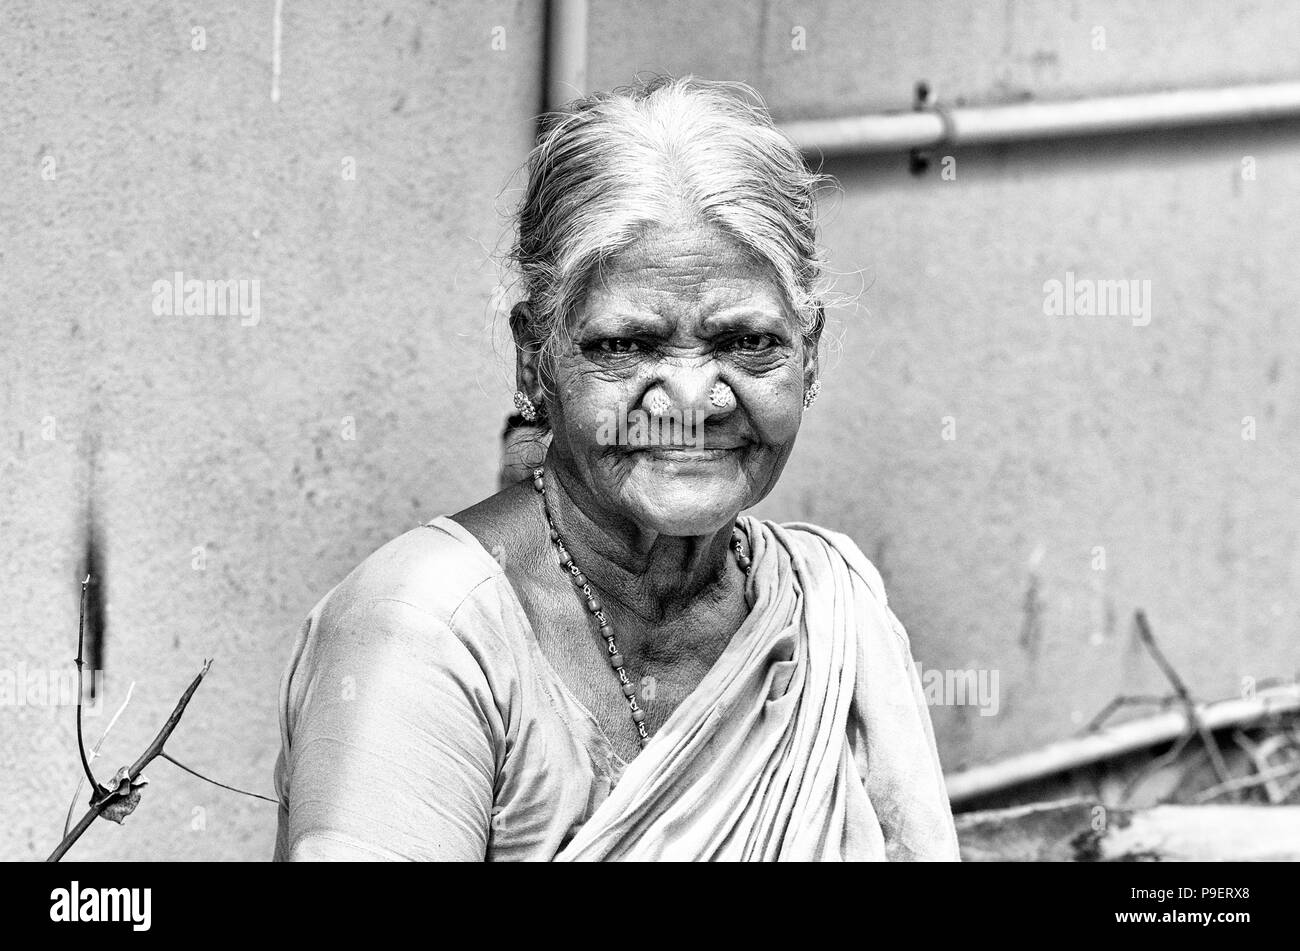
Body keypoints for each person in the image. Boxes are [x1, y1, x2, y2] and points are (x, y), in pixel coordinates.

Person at [272, 76, 960, 861]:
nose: (694, 398)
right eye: (628, 345)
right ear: (537, 356)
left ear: (810, 354)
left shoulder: (833, 609)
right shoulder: (426, 631)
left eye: (746, 341)